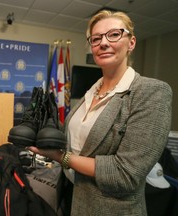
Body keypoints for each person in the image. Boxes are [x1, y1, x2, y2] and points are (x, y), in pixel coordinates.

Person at [27, 9, 172, 216]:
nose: (103, 43)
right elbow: (80, 143)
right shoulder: (90, 93)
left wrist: (61, 157)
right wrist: (44, 129)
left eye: (114, 34)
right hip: (71, 195)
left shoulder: (151, 92)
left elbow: (126, 174)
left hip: (109, 208)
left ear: (131, 43)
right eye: (96, 38)